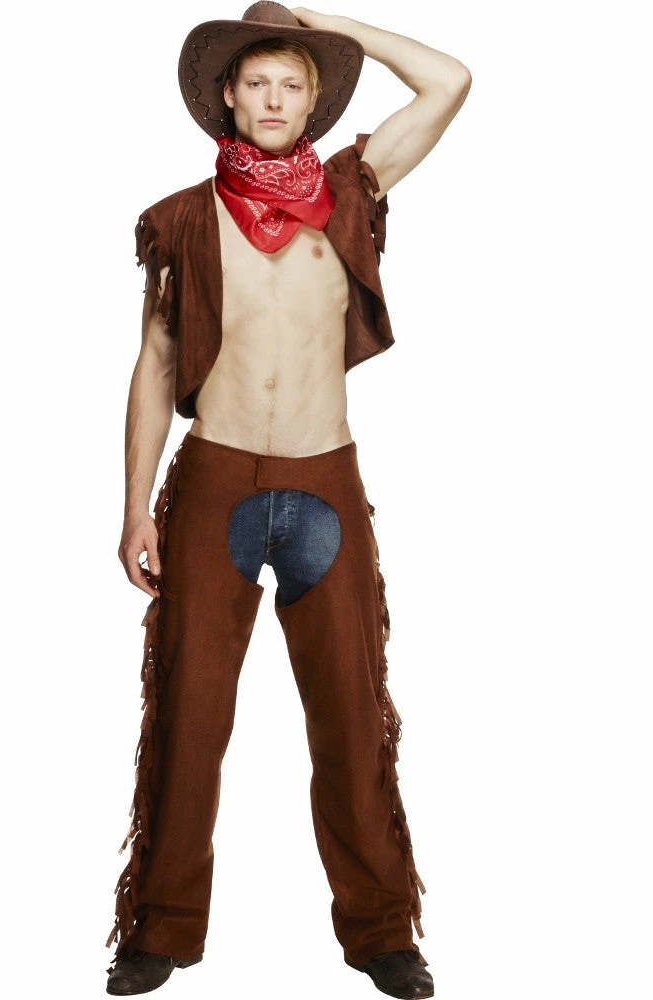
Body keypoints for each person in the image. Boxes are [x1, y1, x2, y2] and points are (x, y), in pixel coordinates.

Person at [105, 4, 470, 996]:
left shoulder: (353, 189)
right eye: (258, 82)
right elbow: (156, 364)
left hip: (324, 478)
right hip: (215, 477)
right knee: (187, 715)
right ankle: (161, 927)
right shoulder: (183, 219)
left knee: (352, 714)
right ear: (229, 95)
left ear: (314, 102)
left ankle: (382, 931)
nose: (273, 100)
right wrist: (135, 507)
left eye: (293, 84)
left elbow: (449, 81)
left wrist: (322, 24)